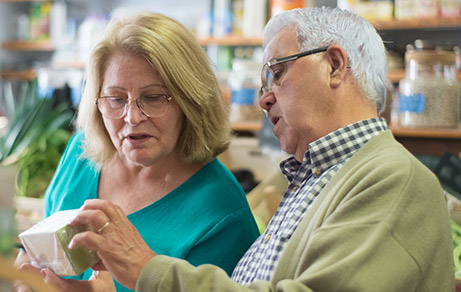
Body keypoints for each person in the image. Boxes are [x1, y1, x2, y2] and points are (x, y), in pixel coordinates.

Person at [39, 6, 455, 292]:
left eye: (276, 73)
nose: (264, 98)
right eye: (115, 99)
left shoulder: (391, 180)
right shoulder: (319, 177)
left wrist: (149, 270)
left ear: (334, 65)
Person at [14, 12, 260, 292]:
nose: (132, 117)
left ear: (191, 102)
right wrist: (27, 281)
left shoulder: (222, 214)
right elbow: (33, 252)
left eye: (153, 98)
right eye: (116, 99)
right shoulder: (80, 155)